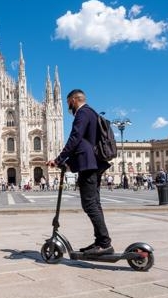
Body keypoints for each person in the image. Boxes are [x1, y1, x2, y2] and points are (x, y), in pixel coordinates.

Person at [46, 89, 113, 255]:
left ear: (75, 100)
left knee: (90, 204)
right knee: (93, 203)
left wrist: (59, 159)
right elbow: (84, 143)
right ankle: (100, 241)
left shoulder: (83, 113)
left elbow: (75, 138)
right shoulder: (91, 113)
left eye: (69, 102)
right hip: (91, 164)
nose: (69, 106)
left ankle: (104, 243)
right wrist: (68, 163)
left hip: (89, 165)